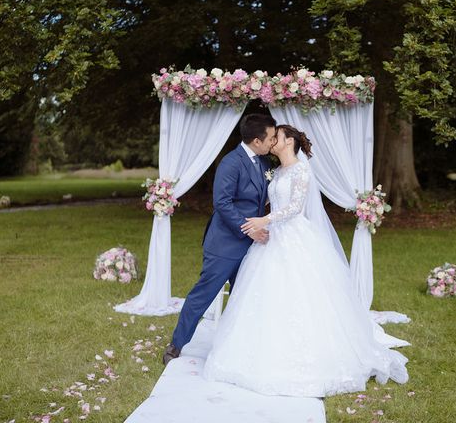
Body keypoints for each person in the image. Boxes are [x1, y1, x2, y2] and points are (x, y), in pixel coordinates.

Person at [202, 124, 409, 397]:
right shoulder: (275, 171)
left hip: (294, 236)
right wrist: (254, 222)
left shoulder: (301, 170)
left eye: (277, 136)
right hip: (272, 238)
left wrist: (264, 220)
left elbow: (294, 208)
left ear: (289, 142)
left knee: (302, 293)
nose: (273, 141)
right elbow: (269, 201)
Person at [162, 113, 277, 365]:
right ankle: (176, 344)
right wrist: (250, 229)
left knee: (243, 297)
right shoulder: (231, 162)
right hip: (225, 243)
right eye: (270, 138)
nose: (273, 142)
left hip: (254, 246)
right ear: (256, 141)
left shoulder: (265, 163)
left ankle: (238, 347)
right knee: (203, 294)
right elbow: (222, 204)